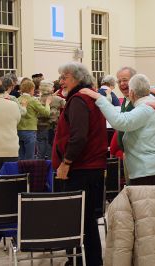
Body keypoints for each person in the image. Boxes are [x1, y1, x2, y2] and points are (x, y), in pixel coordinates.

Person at [52, 62, 107, 266]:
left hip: (81, 168)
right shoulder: (89, 97)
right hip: (90, 167)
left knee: (77, 220)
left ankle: (79, 261)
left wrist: (66, 162)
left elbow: (79, 137)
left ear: (76, 78)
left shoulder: (78, 100)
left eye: (64, 77)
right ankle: (86, 261)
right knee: (86, 221)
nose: (61, 81)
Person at [80, 74, 155, 185]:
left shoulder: (145, 108)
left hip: (147, 170)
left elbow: (120, 122)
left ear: (132, 93)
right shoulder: (148, 103)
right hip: (150, 168)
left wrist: (99, 99)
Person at [17, 80, 51, 160]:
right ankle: (29, 172)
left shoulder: (18, 99)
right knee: (30, 157)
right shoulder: (33, 100)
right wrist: (47, 104)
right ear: (31, 89)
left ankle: (21, 172)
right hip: (30, 130)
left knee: (21, 157)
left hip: (18, 130)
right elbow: (46, 112)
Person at [36, 80, 66, 160]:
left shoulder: (37, 100)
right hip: (52, 128)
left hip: (39, 127)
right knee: (51, 153)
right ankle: (51, 171)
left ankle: (39, 170)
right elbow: (68, 107)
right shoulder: (57, 99)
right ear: (51, 89)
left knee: (40, 153)